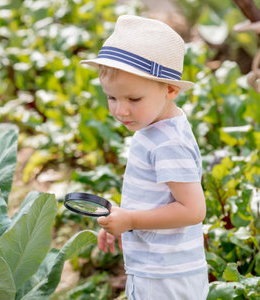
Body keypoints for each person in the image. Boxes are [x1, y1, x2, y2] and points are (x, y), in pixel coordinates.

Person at [80, 15, 209, 299]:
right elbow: (157, 197)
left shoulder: (167, 143)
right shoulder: (154, 130)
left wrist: (132, 221)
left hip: (166, 276)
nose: (120, 111)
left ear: (171, 90)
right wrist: (122, 221)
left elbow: (193, 210)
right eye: (112, 98)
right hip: (158, 269)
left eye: (133, 99)